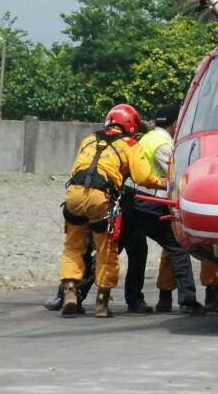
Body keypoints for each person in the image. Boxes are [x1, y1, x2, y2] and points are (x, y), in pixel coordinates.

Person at [57, 104, 160, 318]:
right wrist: (163, 182)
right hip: (101, 197)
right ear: (131, 125)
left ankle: (69, 290)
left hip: (74, 194)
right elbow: (142, 177)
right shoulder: (130, 144)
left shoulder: (89, 139)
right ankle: (102, 301)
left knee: (73, 247)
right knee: (106, 247)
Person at [141, 103, 218, 313]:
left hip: (149, 201)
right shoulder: (175, 142)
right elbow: (178, 171)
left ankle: (164, 297)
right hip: (178, 197)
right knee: (208, 247)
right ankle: (210, 297)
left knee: (170, 249)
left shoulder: (147, 139)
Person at [124, 104, 203, 314]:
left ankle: (75, 292)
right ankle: (187, 300)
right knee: (177, 246)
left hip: (129, 199)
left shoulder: (147, 138)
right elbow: (174, 175)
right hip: (148, 202)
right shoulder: (164, 144)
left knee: (129, 249)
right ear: (176, 123)